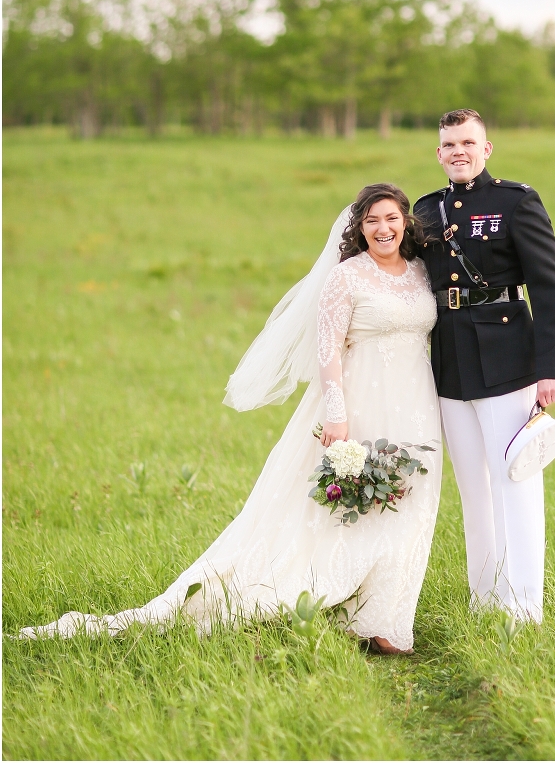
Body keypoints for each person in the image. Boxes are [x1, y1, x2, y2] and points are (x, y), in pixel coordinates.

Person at [18, 185, 442, 655]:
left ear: (406, 220)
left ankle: (381, 620)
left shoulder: (422, 272)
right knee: (335, 512)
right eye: (371, 221)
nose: (383, 229)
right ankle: (313, 602)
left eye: (391, 218)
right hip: (359, 403)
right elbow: (327, 355)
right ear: (358, 228)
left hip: (417, 404)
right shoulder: (346, 279)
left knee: (412, 506)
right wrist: (337, 419)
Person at [414, 109, 555, 623]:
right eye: (448, 144)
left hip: (508, 353)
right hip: (449, 361)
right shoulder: (425, 210)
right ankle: (485, 600)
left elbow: (550, 288)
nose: (458, 151)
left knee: (515, 478)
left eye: (467, 142)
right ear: (438, 154)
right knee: (472, 488)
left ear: (486, 150)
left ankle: (524, 606)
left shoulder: (515, 202)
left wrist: (552, 367)